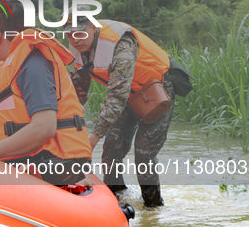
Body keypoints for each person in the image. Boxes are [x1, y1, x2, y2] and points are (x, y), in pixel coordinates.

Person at [0, 1, 92, 186]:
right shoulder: (20, 60)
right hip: (44, 159)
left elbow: (45, 127)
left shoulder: (32, 60)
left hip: (50, 161)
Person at [66, 17, 174, 207]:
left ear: (93, 27)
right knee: (112, 144)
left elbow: (116, 97)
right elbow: (76, 92)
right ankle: (116, 199)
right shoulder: (77, 49)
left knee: (144, 152)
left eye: (81, 32)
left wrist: (92, 139)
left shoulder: (120, 45)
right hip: (128, 93)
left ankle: (153, 208)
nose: (76, 39)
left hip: (156, 89)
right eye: (70, 34)